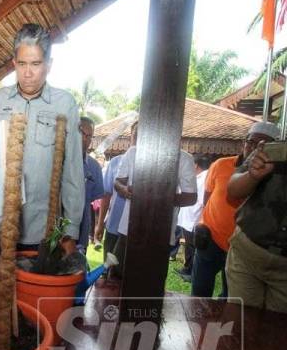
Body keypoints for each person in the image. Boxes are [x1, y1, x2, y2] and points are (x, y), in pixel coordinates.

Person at [0, 23, 85, 258]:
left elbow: (73, 174)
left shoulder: (64, 104)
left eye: (36, 64)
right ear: (14, 64)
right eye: (22, 64)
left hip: (41, 234)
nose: (28, 72)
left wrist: (69, 232)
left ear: (49, 65)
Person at [190, 122, 276, 298]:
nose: (254, 149)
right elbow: (207, 198)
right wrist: (203, 223)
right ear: (243, 143)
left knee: (231, 298)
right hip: (210, 239)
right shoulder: (221, 164)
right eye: (251, 142)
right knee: (199, 291)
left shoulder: (274, 177)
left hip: (241, 248)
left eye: (264, 145)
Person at [114, 122, 197, 277]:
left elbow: (191, 198)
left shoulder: (185, 159)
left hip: (162, 231)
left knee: (152, 280)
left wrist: (156, 198)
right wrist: (125, 190)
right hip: (128, 227)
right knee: (118, 274)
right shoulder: (133, 152)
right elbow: (118, 181)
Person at [226, 121, 287, 312]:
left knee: (276, 334)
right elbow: (233, 190)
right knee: (240, 322)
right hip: (248, 253)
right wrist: (253, 176)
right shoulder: (273, 150)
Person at [175, 154, 210, 282]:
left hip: (194, 219)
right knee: (189, 246)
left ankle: (191, 273)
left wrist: (200, 221)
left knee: (193, 247)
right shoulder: (197, 177)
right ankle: (187, 268)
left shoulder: (204, 178)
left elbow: (203, 202)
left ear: (195, 165)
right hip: (188, 218)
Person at [77, 117, 104, 251]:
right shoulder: (57, 161)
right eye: (82, 133)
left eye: (89, 136)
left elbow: (94, 199)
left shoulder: (94, 167)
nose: (85, 139)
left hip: (81, 228)